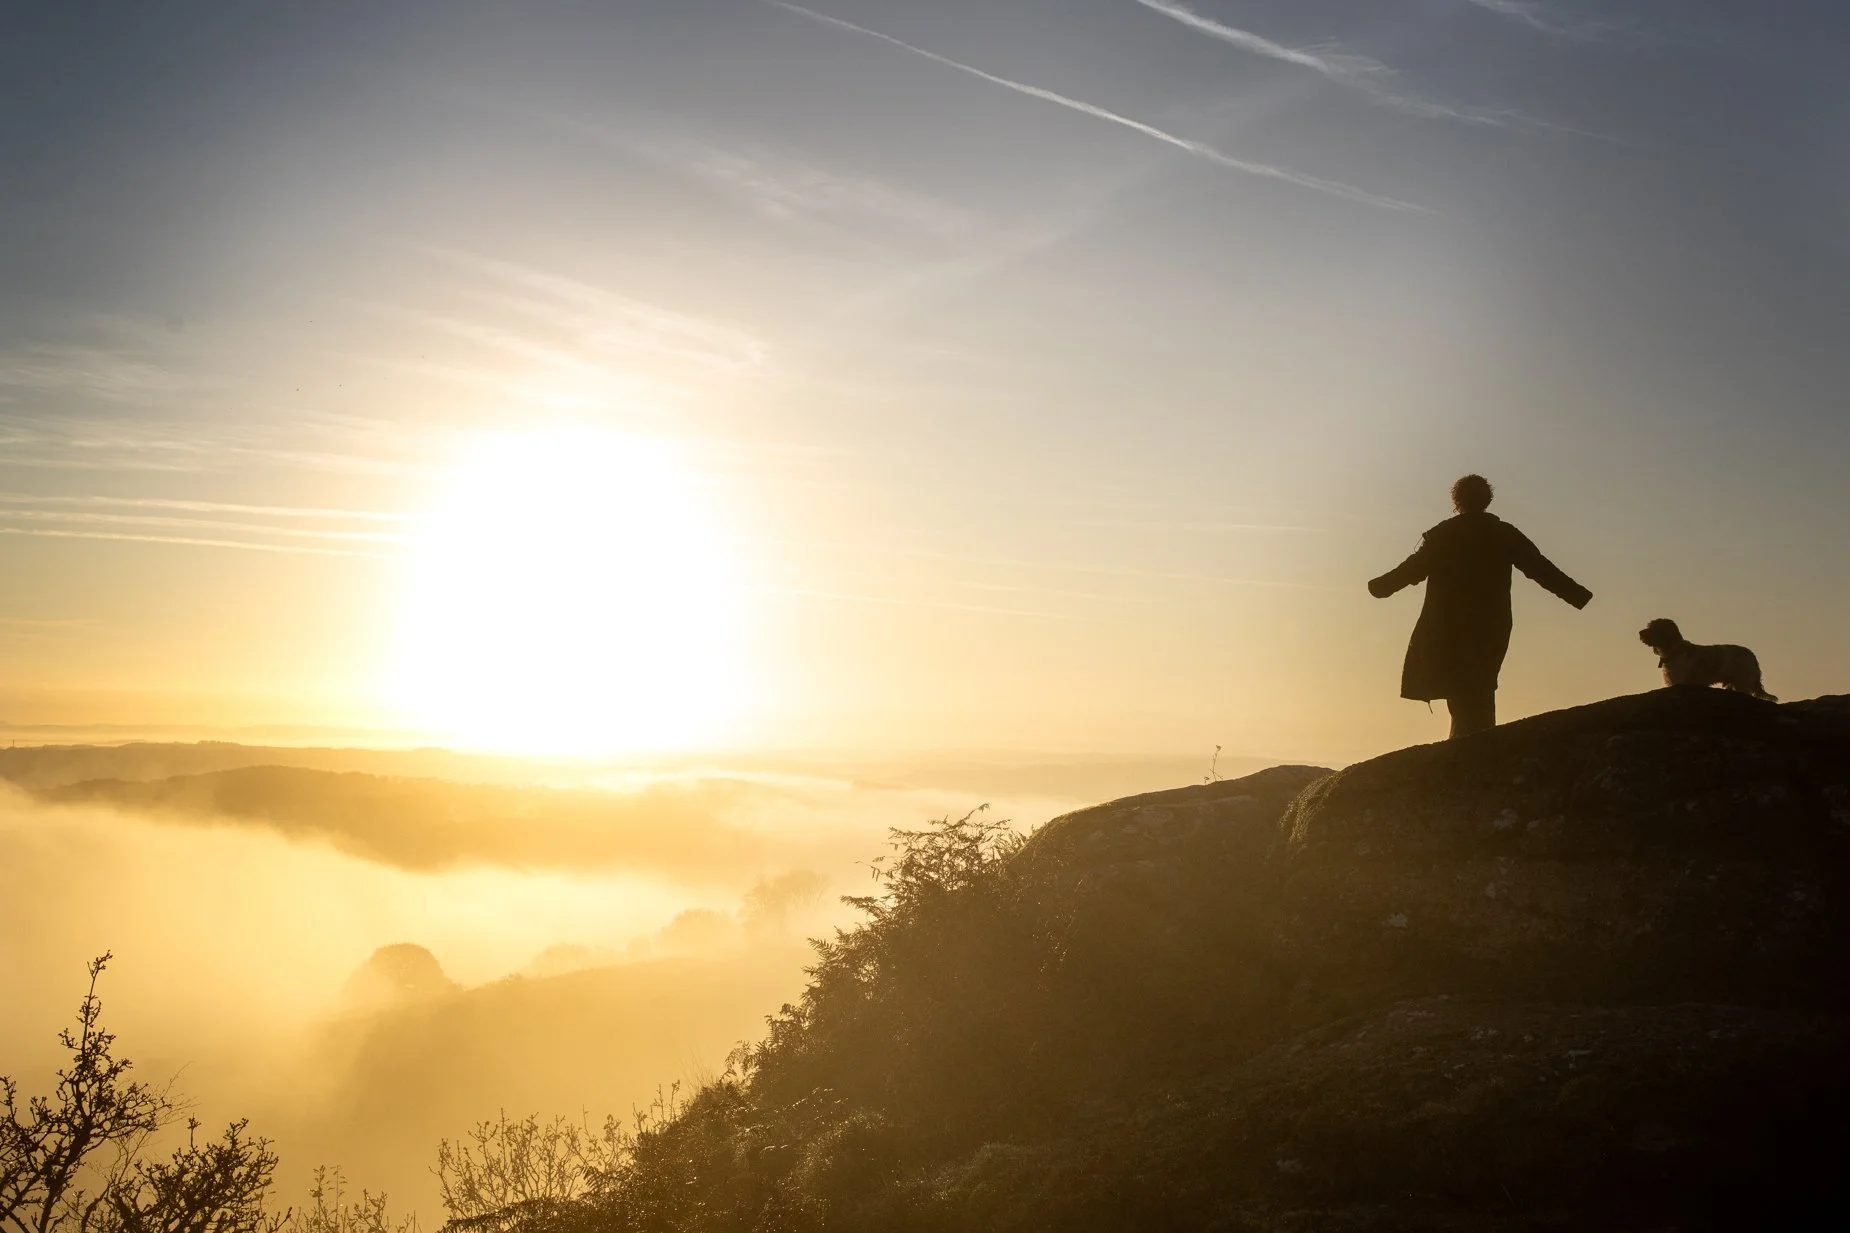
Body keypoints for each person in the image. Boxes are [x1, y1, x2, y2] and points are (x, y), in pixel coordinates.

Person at [1368, 475, 1591, 739]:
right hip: (1490, 624)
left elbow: (1411, 570)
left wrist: (1380, 586)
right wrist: (1577, 595)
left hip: (1447, 626)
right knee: (1480, 686)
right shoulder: (1503, 533)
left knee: (1462, 690)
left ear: (1456, 500)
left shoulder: (1444, 535)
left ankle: (1468, 751)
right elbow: (1540, 568)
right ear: (1488, 499)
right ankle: (1475, 746)